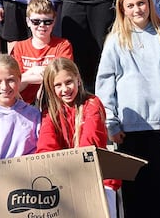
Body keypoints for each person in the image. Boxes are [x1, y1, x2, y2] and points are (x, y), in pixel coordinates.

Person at [95, 0, 160, 218]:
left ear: (149, 3)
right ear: (122, 9)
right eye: (130, 5)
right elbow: (105, 85)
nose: (137, 9)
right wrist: (111, 123)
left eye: (141, 3)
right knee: (134, 195)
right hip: (127, 130)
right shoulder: (115, 40)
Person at [36, 58, 120, 218]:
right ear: (51, 88)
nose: (65, 89)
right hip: (62, 178)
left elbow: (90, 144)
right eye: (58, 85)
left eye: (69, 82)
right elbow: (46, 148)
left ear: (78, 80)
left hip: (97, 177)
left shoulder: (92, 103)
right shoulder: (50, 111)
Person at [10, 0, 73, 104]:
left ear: (54, 22)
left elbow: (61, 79)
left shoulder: (63, 45)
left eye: (47, 21)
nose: (42, 25)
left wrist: (24, 78)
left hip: (53, 102)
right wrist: (32, 71)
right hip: (24, 104)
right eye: (36, 21)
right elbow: (14, 86)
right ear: (28, 22)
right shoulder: (19, 47)